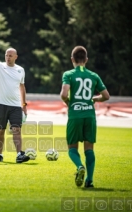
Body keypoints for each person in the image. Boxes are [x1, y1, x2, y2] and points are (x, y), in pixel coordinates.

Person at [60, 46, 110, 188]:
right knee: (89, 149)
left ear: (72, 59)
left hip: (75, 115)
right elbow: (106, 96)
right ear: (86, 60)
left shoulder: (68, 74)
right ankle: (89, 180)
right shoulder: (94, 76)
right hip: (89, 115)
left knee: (72, 148)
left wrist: (69, 103)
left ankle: (79, 166)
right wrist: (95, 99)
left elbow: (64, 94)